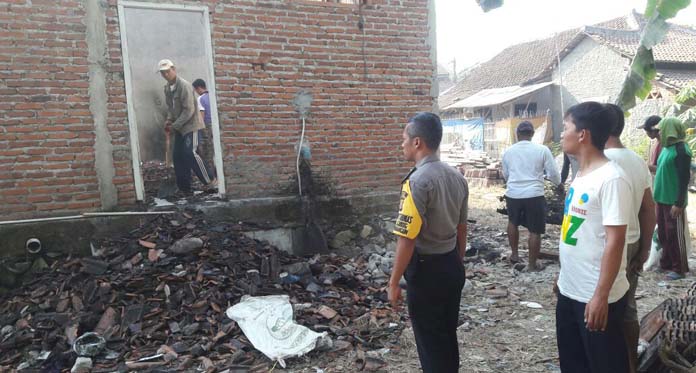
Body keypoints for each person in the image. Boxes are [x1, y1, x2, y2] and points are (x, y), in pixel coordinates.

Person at [555, 102, 632, 373]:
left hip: (596, 296)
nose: (561, 134)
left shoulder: (612, 179)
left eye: (566, 128)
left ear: (582, 134)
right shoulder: (581, 174)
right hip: (570, 289)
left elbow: (615, 240)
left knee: (605, 365)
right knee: (573, 364)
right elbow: (578, 231)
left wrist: (600, 296)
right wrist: (563, 275)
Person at [388, 112, 468, 373]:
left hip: (427, 272)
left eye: (404, 139)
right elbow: (462, 228)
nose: (401, 144)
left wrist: (393, 282)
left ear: (417, 143)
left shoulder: (417, 182)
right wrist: (458, 262)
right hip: (451, 266)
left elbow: (407, 239)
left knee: (429, 343)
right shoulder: (458, 177)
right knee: (446, 336)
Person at [604, 103, 656, 373]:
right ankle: (630, 364)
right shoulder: (636, 161)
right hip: (632, 241)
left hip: (604, 246)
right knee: (627, 306)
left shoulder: (599, 160)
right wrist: (645, 249)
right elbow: (649, 209)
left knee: (600, 304)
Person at [501, 121, 561, 270]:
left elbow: (506, 174)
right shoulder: (542, 150)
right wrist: (558, 184)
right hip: (534, 194)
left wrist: (514, 183)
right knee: (535, 230)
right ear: (532, 134)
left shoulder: (508, 152)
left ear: (517, 134)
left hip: (513, 193)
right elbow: (553, 173)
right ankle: (532, 264)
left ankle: (514, 255)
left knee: (513, 222)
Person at [158, 59, 215, 194]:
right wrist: (168, 120)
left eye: (167, 71)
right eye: (162, 73)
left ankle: (210, 181)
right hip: (179, 127)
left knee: (189, 153)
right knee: (177, 156)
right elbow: (171, 109)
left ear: (174, 69)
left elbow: (189, 110)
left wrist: (175, 125)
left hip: (191, 126)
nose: (166, 75)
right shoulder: (167, 88)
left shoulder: (184, 86)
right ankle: (185, 188)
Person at [653, 117, 692, 280]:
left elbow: (684, 179)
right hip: (662, 199)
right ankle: (667, 264)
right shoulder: (666, 148)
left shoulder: (682, 151)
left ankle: (679, 268)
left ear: (670, 130)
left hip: (673, 201)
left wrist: (679, 203)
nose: (659, 133)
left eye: (661, 129)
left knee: (674, 235)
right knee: (663, 233)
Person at [192, 78, 216, 180]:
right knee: (215, 153)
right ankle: (217, 175)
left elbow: (201, 117)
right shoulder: (213, 96)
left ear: (198, 88)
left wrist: (197, 130)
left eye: (195, 90)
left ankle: (212, 178)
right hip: (215, 127)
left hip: (206, 128)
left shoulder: (200, 99)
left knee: (207, 154)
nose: (196, 92)